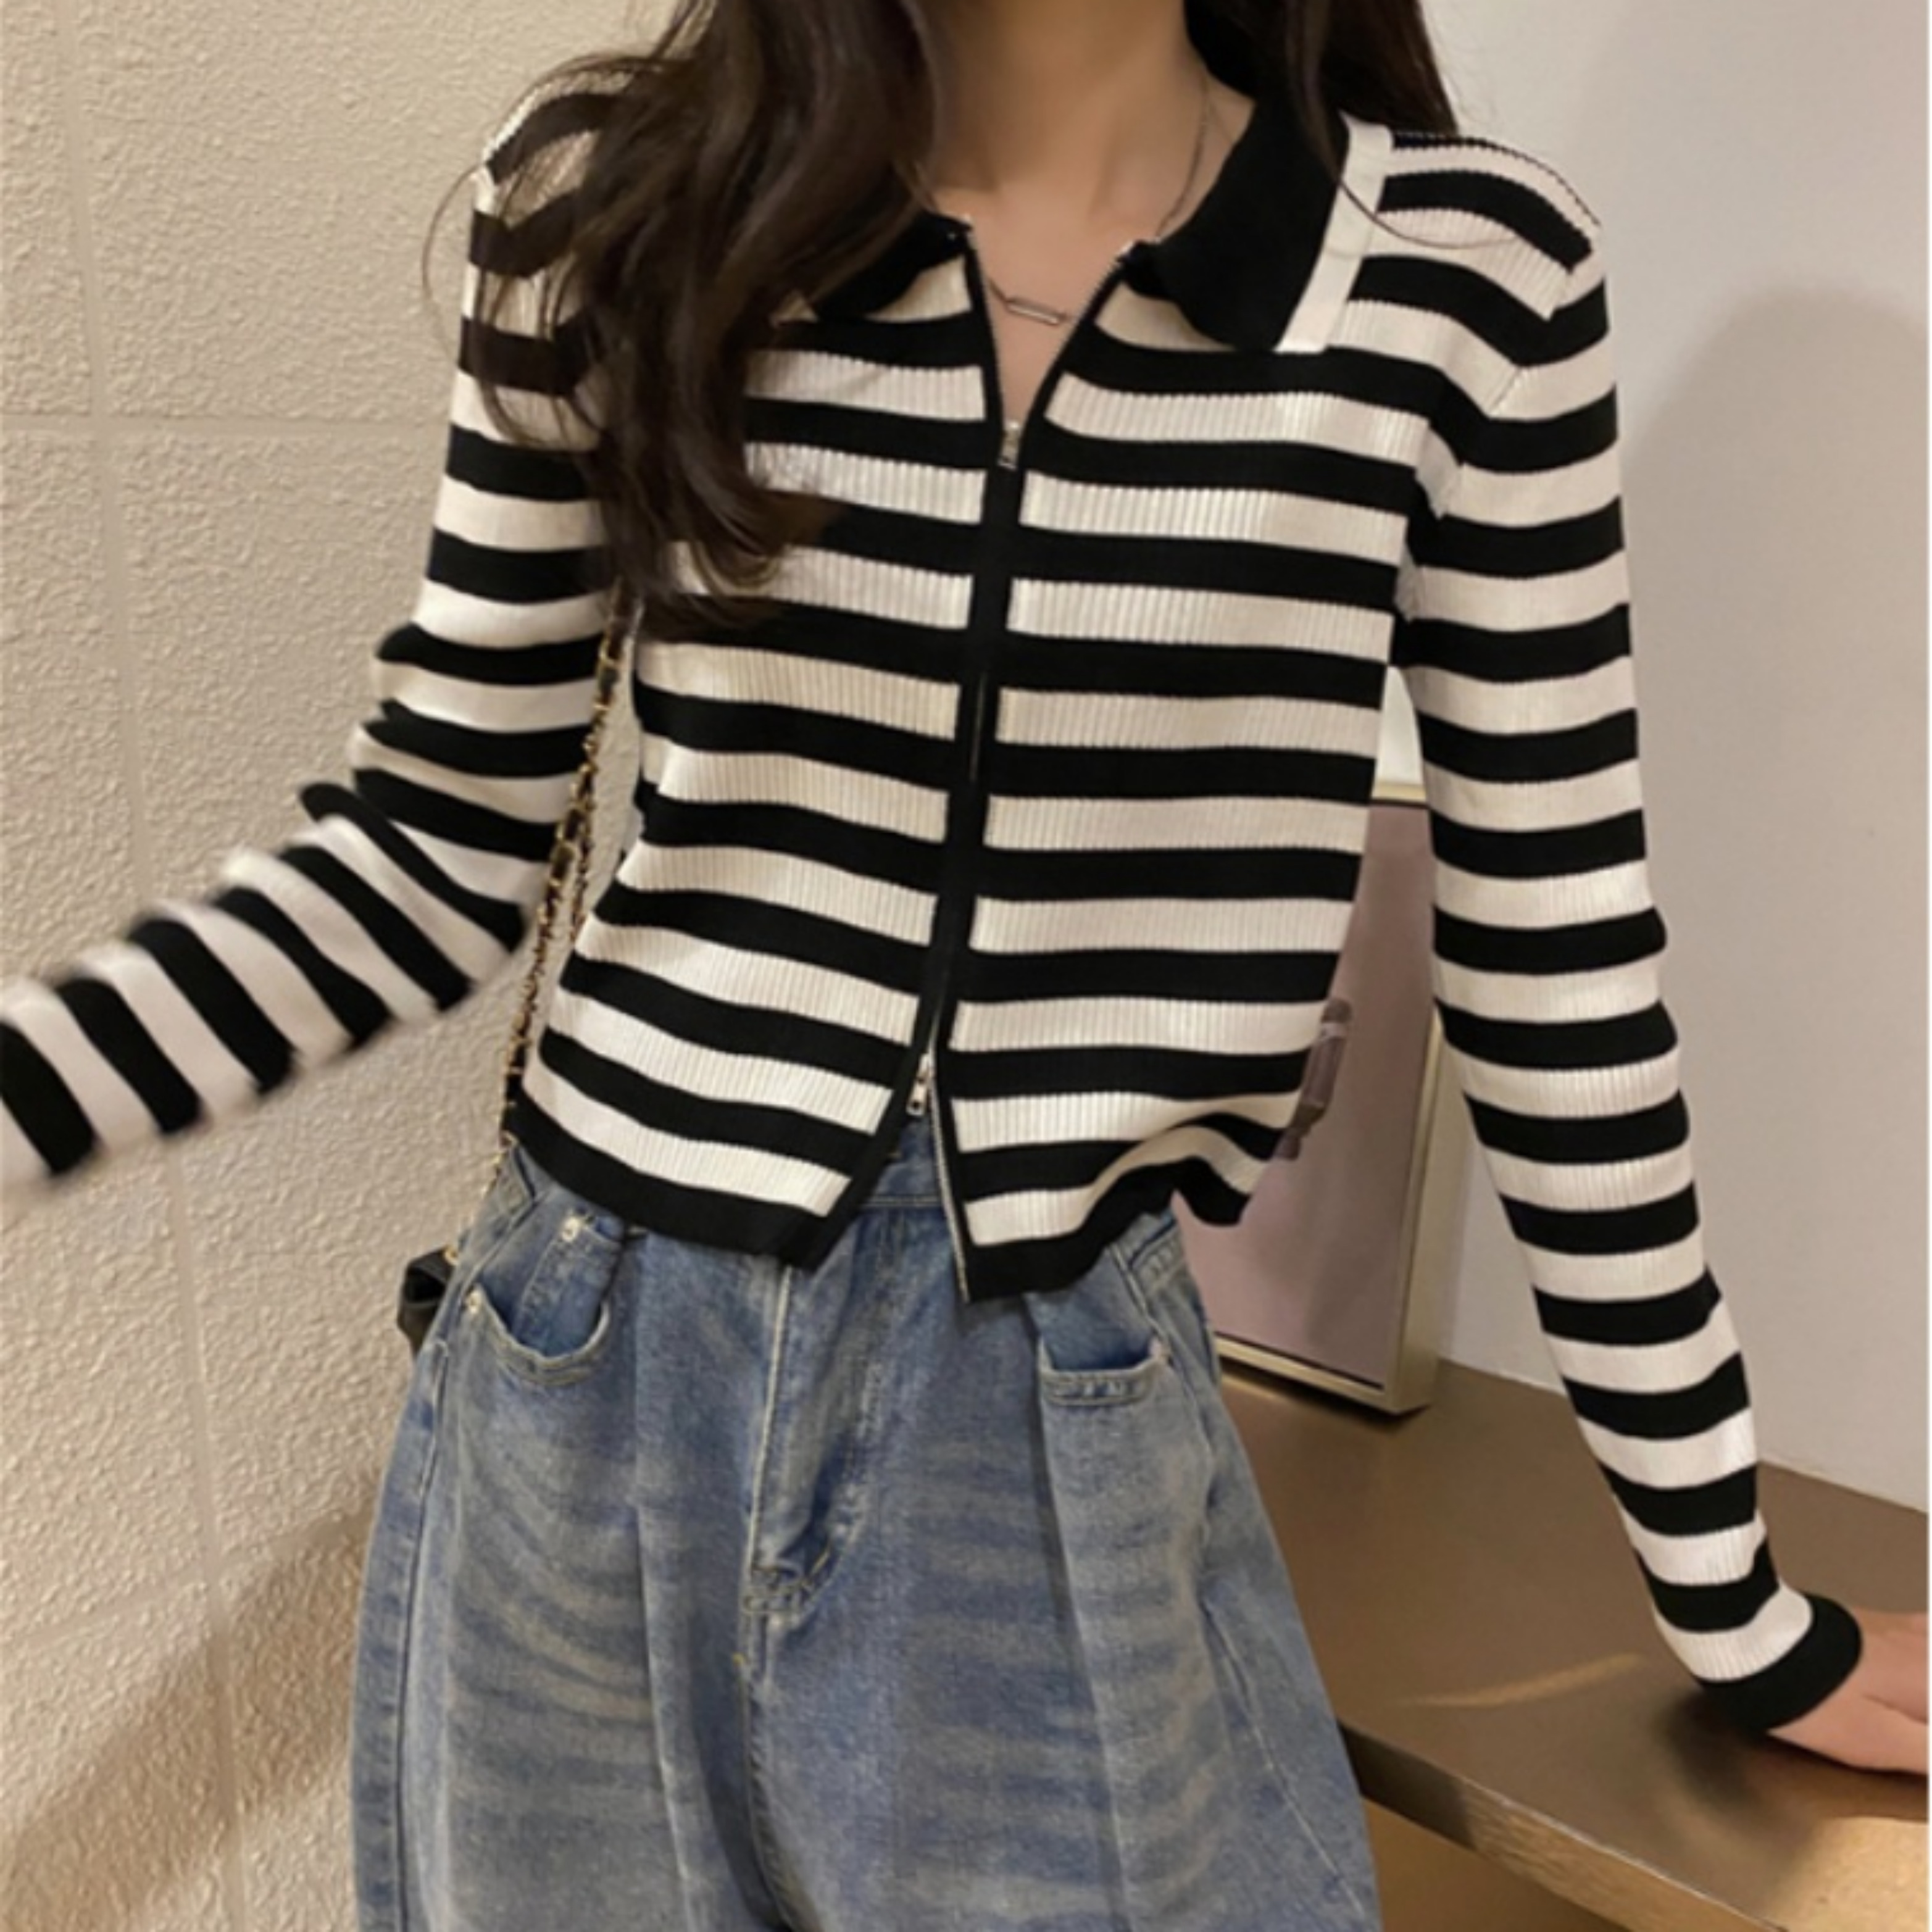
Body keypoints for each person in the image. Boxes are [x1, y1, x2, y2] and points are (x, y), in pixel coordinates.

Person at [3, 1, 1925, 1926]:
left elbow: (1556, 962)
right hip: (582, 1384)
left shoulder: (1457, 281)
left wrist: (1733, 1600)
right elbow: (424, 849)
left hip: (1046, 1398)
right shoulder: (621, 200)